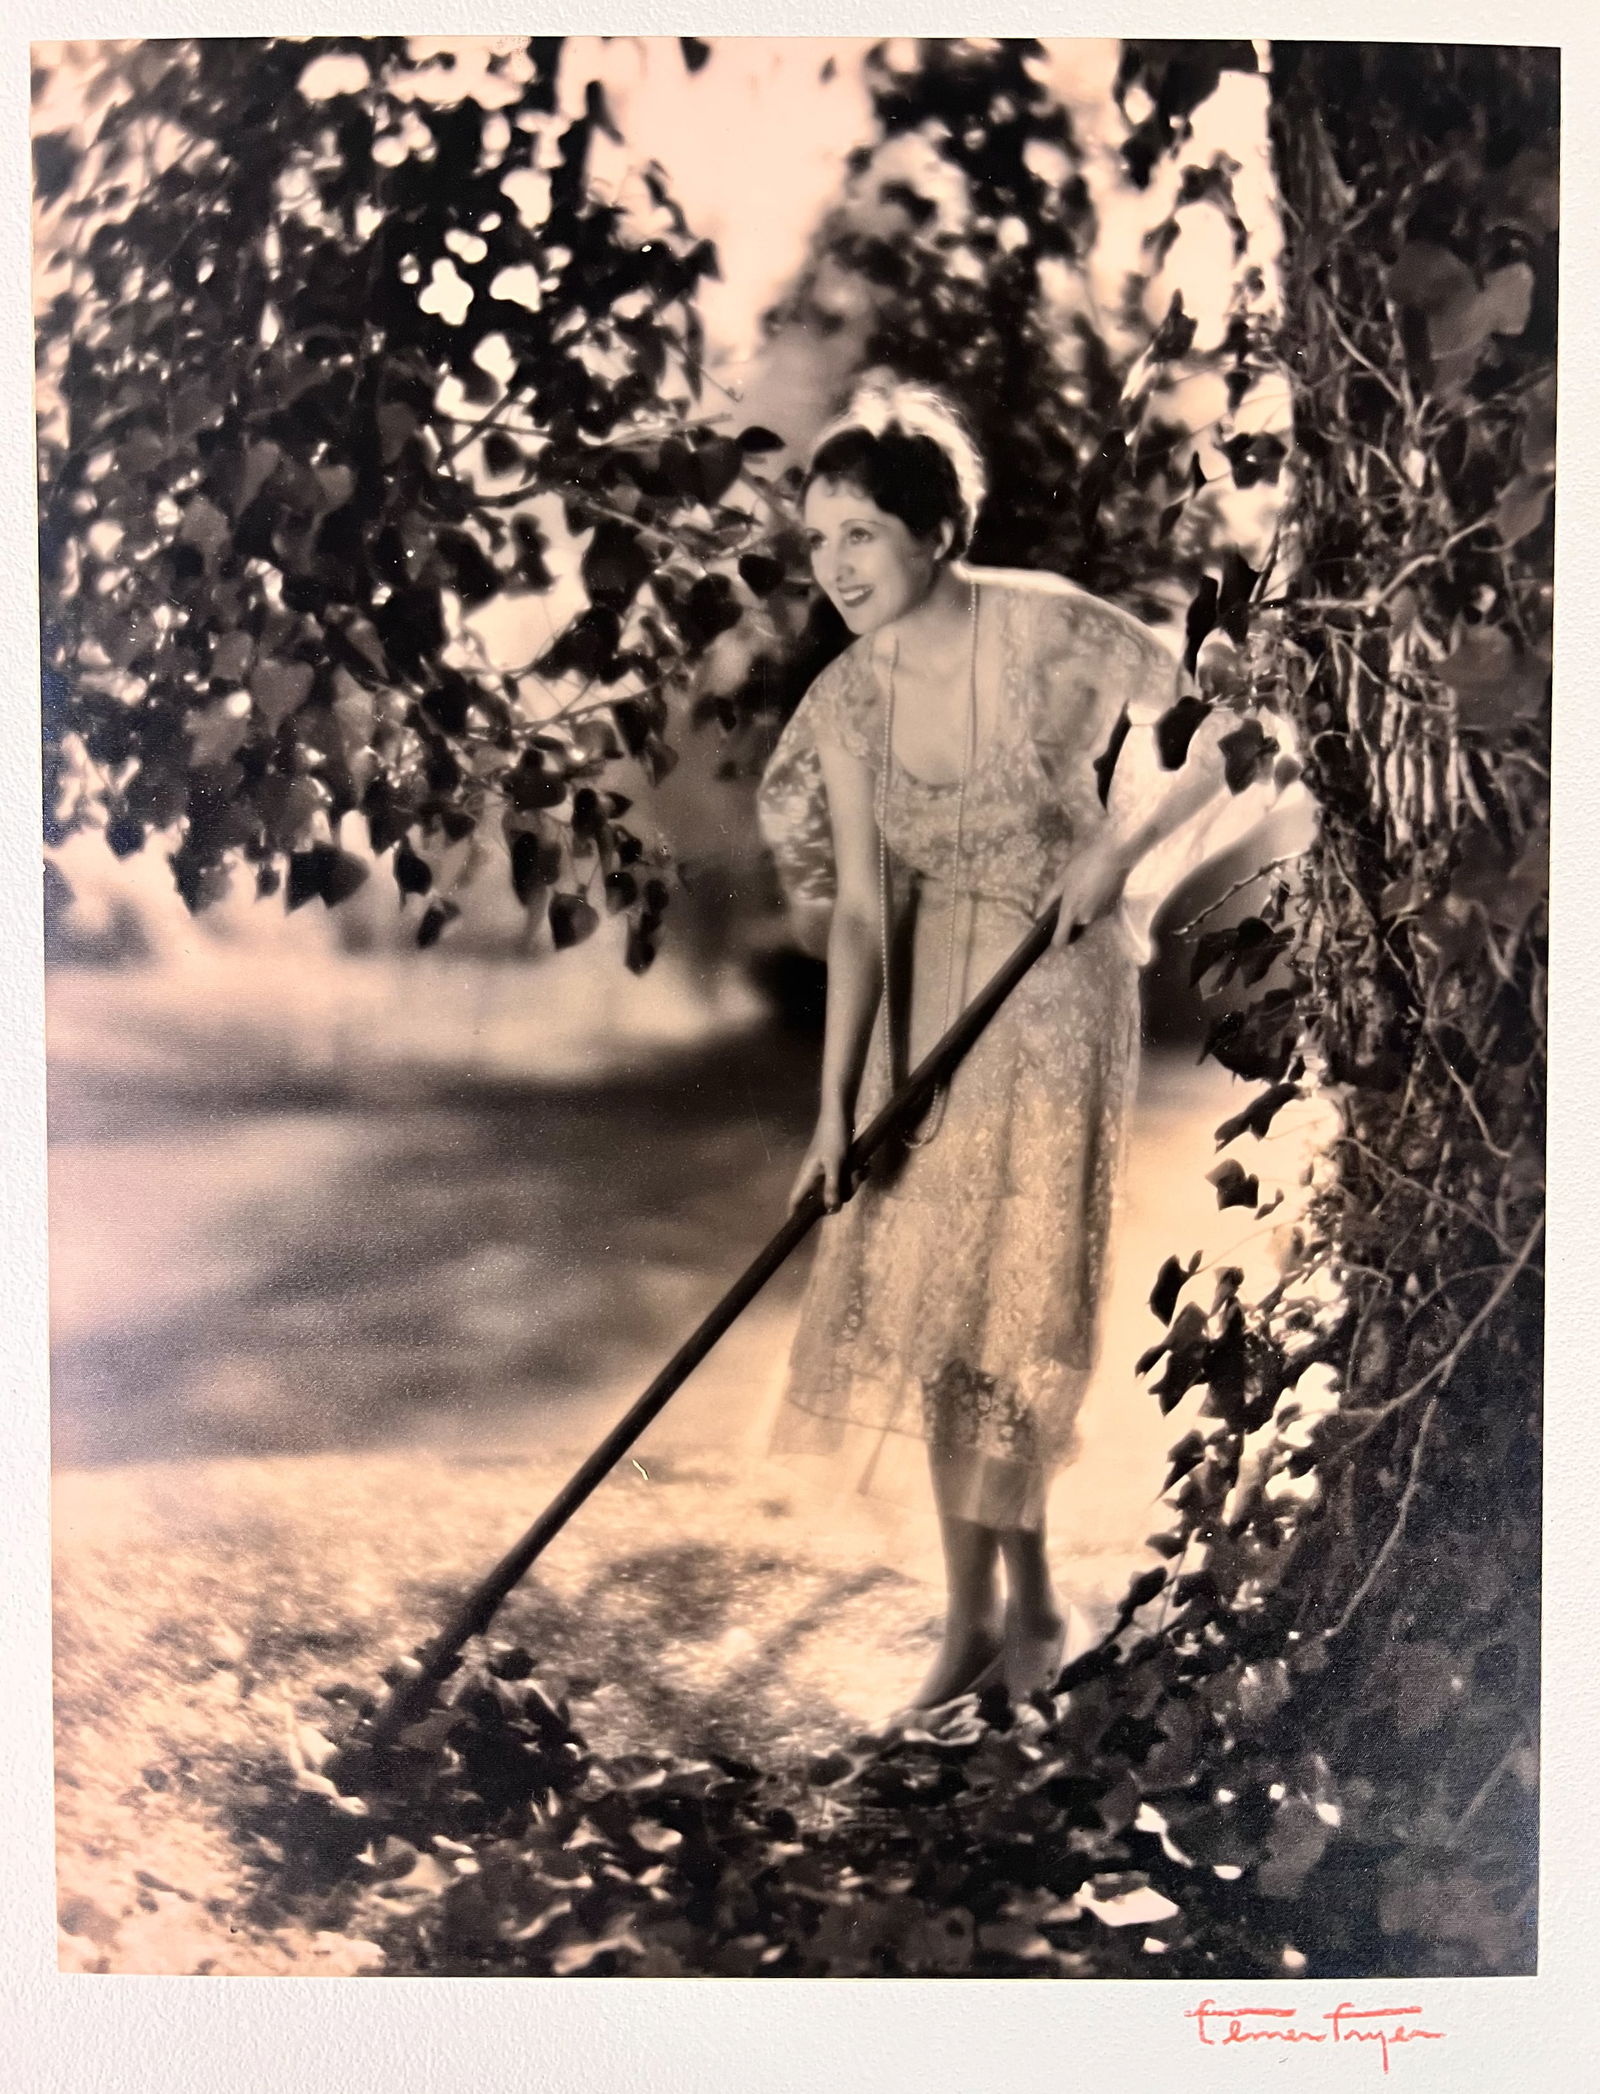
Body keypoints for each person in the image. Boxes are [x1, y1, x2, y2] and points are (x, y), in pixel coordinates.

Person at [757, 380, 1295, 1711]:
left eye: (860, 537)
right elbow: (868, 923)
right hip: (932, 1002)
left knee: (1008, 1314)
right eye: (818, 543)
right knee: (945, 1317)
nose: (835, 569)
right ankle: (996, 1613)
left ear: (937, 527)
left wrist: (1119, 853)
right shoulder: (848, 701)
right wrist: (837, 1109)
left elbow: (1232, 735)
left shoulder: (1053, 627)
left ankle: (1009, 1620)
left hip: (1052, 992)